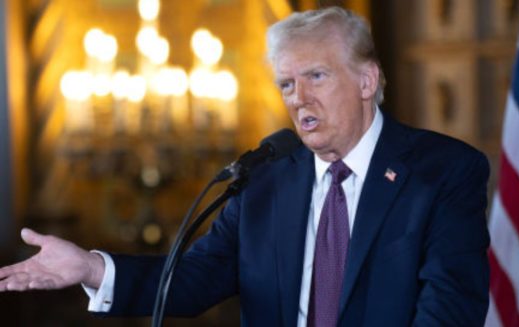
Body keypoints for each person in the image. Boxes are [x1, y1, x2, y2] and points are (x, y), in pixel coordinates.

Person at [0, 6, 490, 326]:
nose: (300, 98)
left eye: (316, 76)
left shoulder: (444, 172)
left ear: (367, 80)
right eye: (287, 84)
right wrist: (89, 266)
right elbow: (191, 281)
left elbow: (449, 312)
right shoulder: (265, 178)